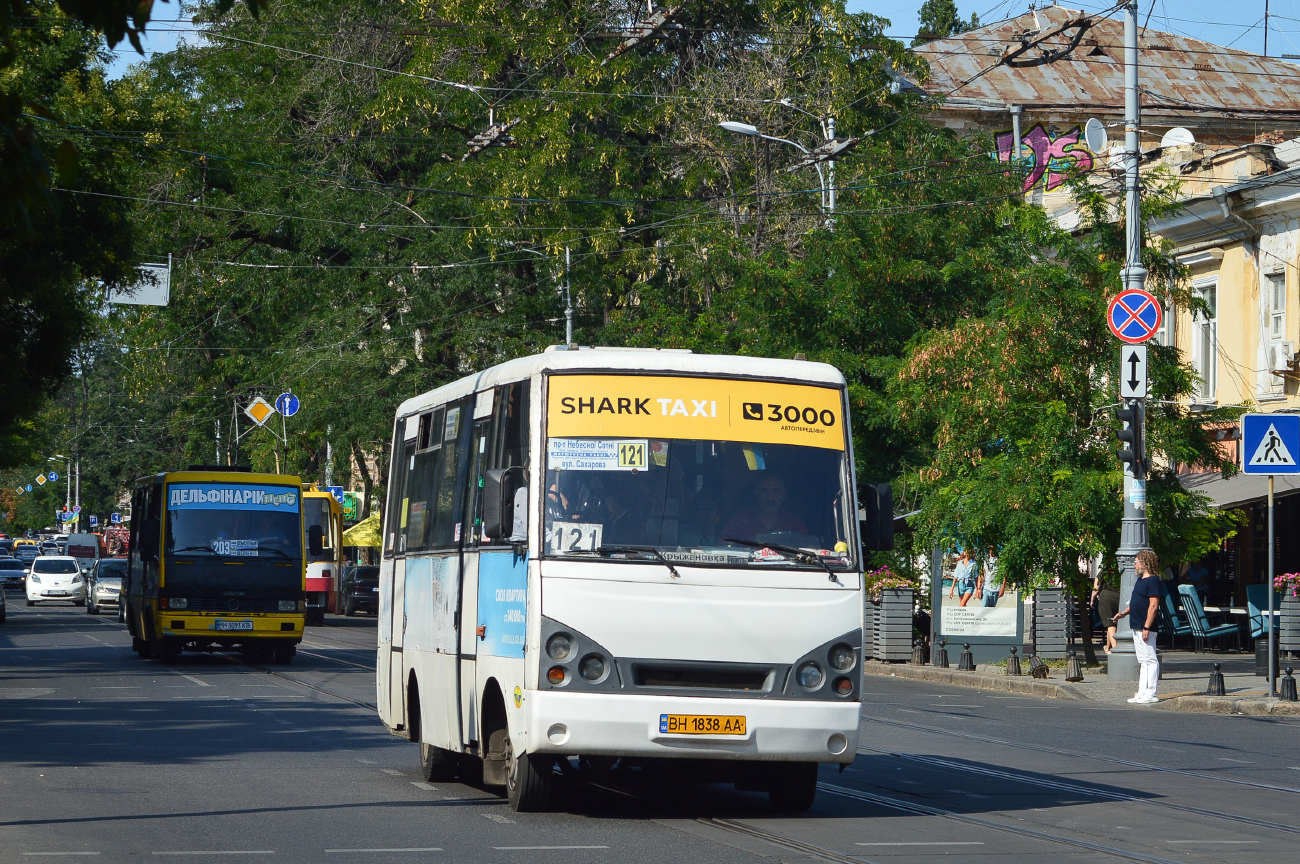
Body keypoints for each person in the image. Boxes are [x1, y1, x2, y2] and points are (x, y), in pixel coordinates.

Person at [1113, 549, 1164, 704]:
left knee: (1150, 659)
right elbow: (1136, 601)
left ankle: (1151, 692)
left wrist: (1147, 627)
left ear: (1144, 563)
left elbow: (1153, 605)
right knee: (1143, 660)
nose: (1135, 565)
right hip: (1136, 625)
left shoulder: (1154, 581)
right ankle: (1142, 692)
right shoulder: (1140, 580)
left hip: (1145, 626)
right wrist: (1124, 613)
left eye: (1136, 562)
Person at [719, 474, 807, 543]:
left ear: (783, 495)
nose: (770, 498)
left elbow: (807, 553)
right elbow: (721, 548)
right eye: (764, 491)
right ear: (756, 494)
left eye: (775, 491)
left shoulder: (795, 523)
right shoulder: (739, 520)